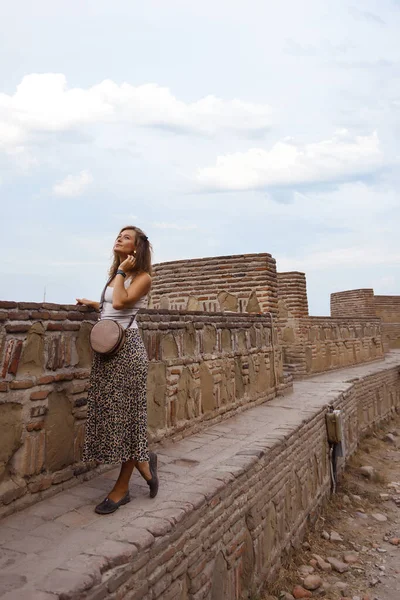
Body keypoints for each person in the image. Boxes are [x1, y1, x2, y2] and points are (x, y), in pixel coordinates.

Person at [76, 225, 158, 514]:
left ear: (136, 248)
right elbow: (111, 304)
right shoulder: (117, 275)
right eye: (118, 235)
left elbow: (123, 301)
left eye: (125, 237)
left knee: (128, 418)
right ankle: (144, 462)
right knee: (111, 414)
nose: (118, 239)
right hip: (106, 351)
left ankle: (121, 489)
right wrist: (91, 302)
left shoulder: (143, 277)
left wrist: (123, 271)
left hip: (128, 352)